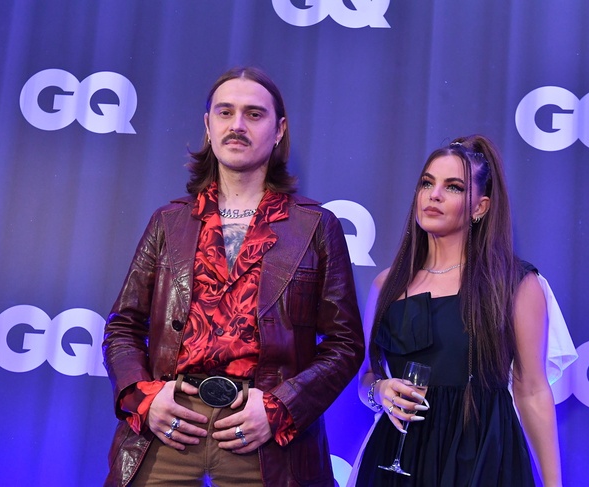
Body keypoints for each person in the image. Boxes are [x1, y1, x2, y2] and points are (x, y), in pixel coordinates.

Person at [102, 66, 364, 487]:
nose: (237, 125)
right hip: (169, 430)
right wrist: (144, 398)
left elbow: (345, 344)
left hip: (265, 440)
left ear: (279, 131)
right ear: (208, 126)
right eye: (225, 112)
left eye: (254, 114)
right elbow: (122, 327)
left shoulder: (316, 226)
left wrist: (281, 409)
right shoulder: (169, 222)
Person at [354, 135, 562, 486]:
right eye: (427, 183)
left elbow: (532, 390)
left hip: (482, 457)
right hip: (398, 456)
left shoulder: (514, 283)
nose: (434, 195)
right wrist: (380, 391)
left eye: (453, 187)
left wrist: (554, 484)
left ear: (480, 207)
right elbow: (366, 378)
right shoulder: (386, 284)